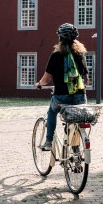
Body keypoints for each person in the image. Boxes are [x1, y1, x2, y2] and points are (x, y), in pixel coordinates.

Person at [35, 22, 90, 150]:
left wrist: (39, 84)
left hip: (61, 97)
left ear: (60, 38)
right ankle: (75, 149)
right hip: (80, 97)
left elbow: (46, 79)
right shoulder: (80, 55)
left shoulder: (56, 56)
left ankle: (48, 142)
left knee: (52, 112)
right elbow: (86, 78)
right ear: (75, 39)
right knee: (76, 119)